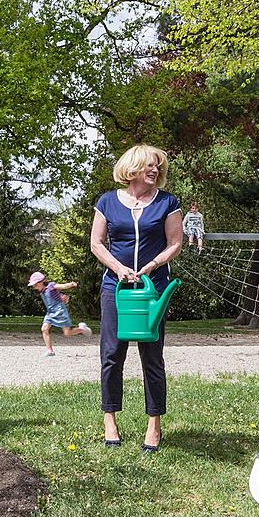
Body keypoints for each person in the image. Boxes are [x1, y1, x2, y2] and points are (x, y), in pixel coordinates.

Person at [90, 145, 183, 453]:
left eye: (158, 166)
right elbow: (97, 243)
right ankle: (109, 419)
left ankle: (154, 425)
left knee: (152, 357)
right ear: (132, 168)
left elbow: (175, 243)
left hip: (152, 288)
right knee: (112, 354)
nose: (155, 170)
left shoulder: (168, 203)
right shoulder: (107, 202)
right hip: (115, 289)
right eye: (149, 165)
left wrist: (151, 266)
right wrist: (118, 269)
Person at [27, 272, 92, 357]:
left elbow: (62, 286)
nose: (34, 287)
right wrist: (61, 298)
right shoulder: (42, 292)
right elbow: (57, 297)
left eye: (35, 285)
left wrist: (71, 284)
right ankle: (50, 351)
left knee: (67, 333)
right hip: (50, 313)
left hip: (60, 312)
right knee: (44, 329)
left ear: (40, 282)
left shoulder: (50, 286)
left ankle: (82, 329)